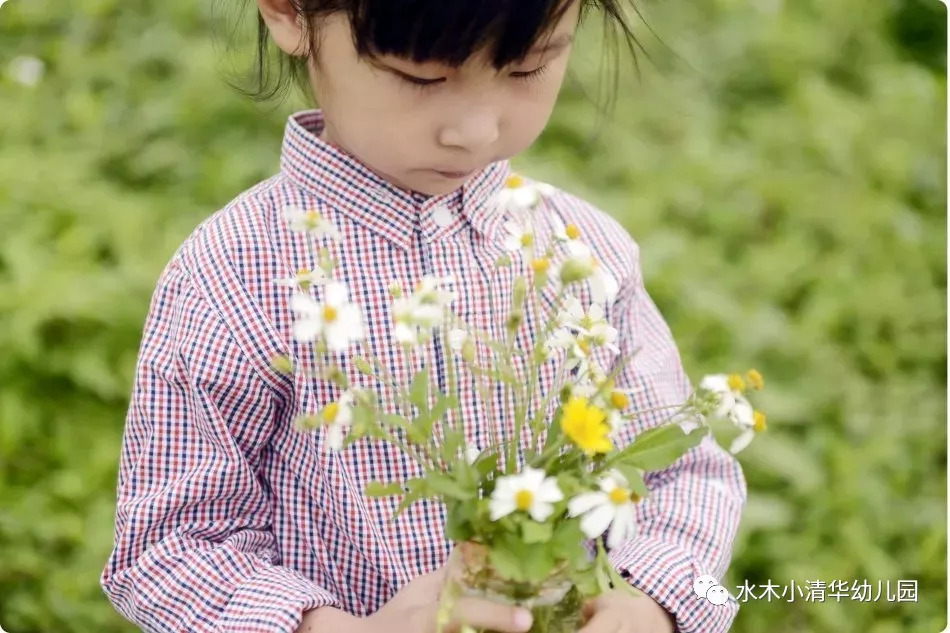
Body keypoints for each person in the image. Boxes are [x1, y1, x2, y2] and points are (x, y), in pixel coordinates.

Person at [100, 0, 747, 631]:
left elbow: (687, 469)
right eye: (422, 77)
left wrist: (653, 600)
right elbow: (170, 547)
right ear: (289, 13)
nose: (474, 129)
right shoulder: (234, 276)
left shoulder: (581, 252)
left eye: (526, 68)